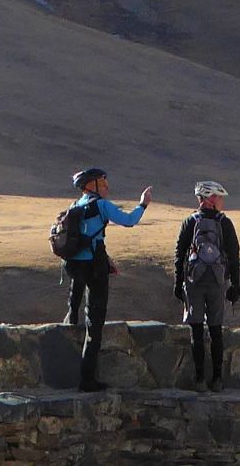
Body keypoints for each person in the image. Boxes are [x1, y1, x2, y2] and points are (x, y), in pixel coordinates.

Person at [64, 167, 151, 392]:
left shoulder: (74, 206)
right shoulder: (101, 206)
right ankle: (87, 379)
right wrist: (143, 204)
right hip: (95, 269)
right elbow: (129, 220)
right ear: (91, 185)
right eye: (103, 183)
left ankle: (70, 317)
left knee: (77, 307)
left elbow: (86, 238)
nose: (107, 187)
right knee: (95, 324)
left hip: (76, 266)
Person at [174, 180, 240, 392]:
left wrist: (178, 282)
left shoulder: (190, 222)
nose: (222, 202)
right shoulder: (225, 223)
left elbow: (179, 254)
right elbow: (234, 255)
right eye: (220, 198)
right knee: (215, 330)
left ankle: (200, 379)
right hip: (217, 282)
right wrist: (235, 284)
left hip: (194, 282)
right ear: (211, 198)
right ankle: (218, 379)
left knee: (196, 331)